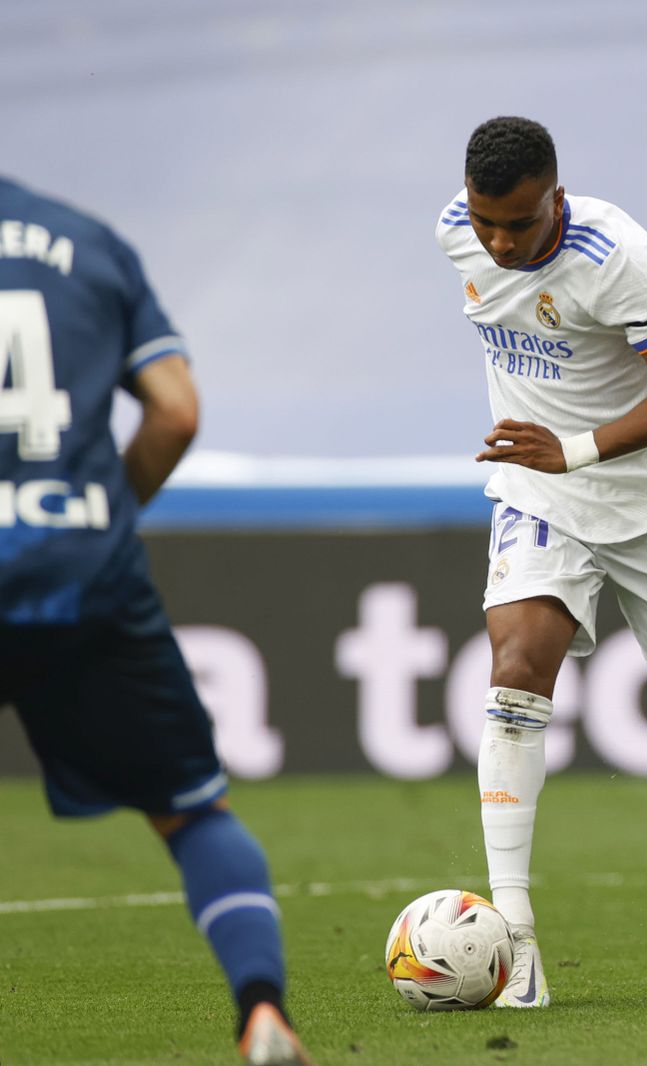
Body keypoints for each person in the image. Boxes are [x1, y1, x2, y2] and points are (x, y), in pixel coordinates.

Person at [435, 117, 647, 1008]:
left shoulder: (616, 256)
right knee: (514, 673)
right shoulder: (456, 234)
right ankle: (512, 932)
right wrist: (550, 461)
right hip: (540, 496)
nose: (502, 243)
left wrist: (577, 448)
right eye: (488, 223)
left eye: (519, 222)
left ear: (557, 193)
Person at [0, 178, 311, 1064]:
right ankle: (262, 1016)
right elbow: (175, 410)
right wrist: (101, 513)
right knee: (193, 814)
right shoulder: (86, 241)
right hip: (85, 572)